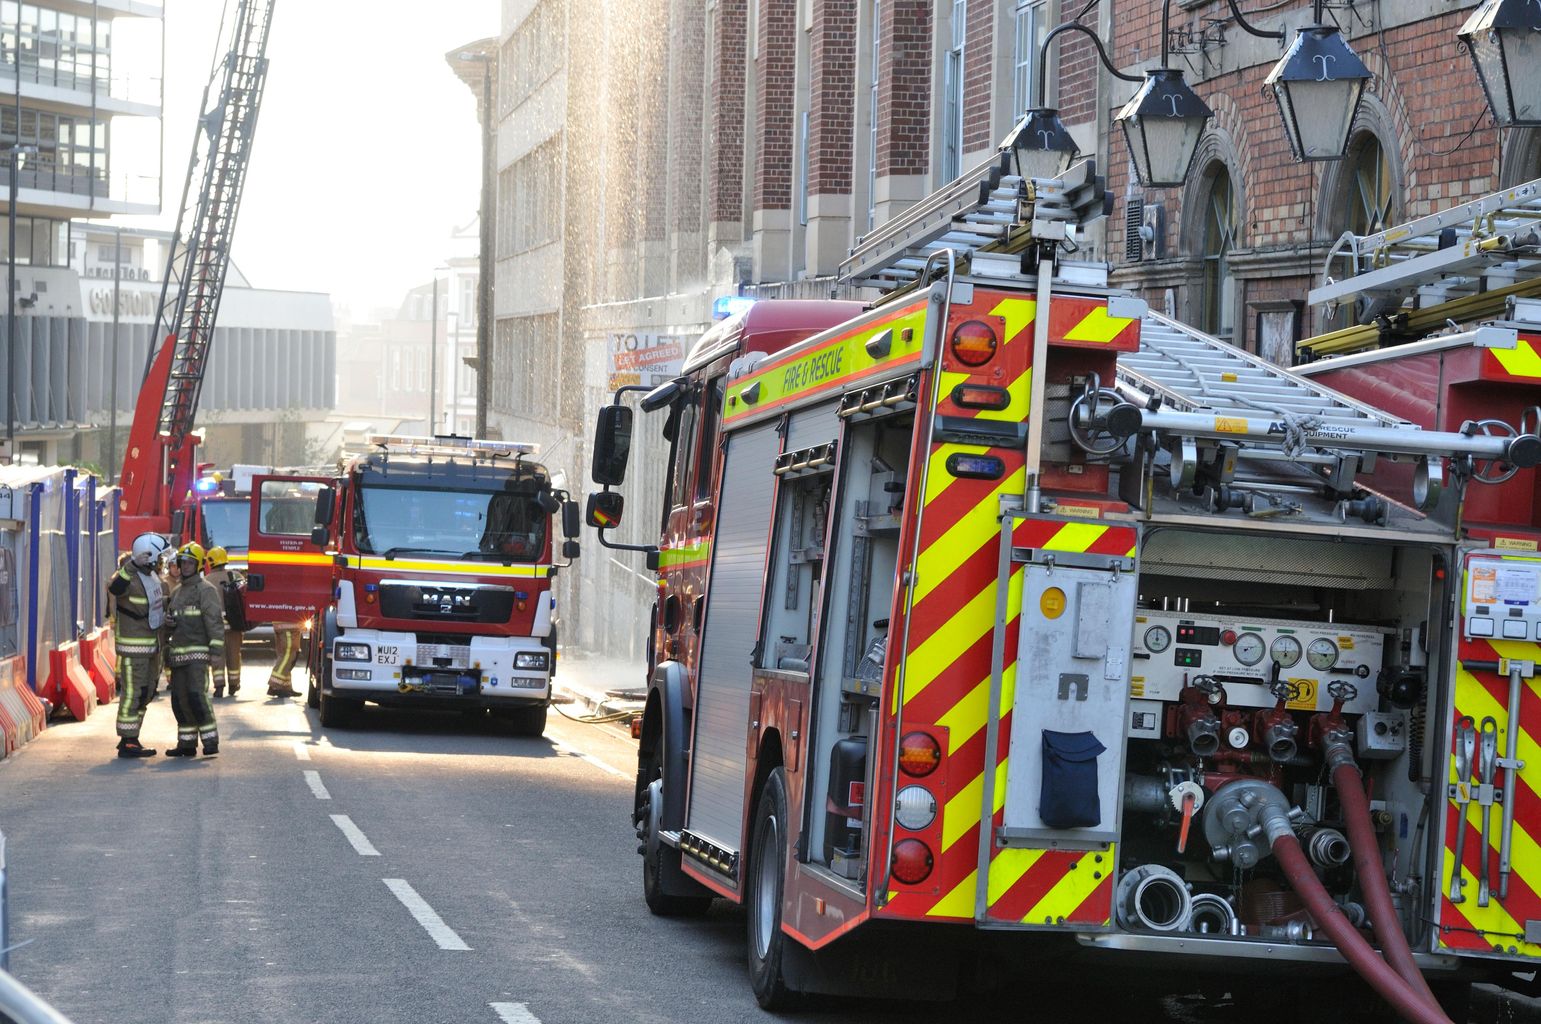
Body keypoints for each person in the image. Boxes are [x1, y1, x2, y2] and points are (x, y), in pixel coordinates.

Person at [107, 533, 169, 758]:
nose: (162, 561)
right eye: (159, 556)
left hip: (152, 648)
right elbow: (114, 588)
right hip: (134, 649)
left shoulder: (152, 579)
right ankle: (127, 740)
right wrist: (132, 565)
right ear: (149, 555)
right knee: (133, 693)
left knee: (146, 693)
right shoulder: (128, 578)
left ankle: (133, 736)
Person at [164, 542, 224, 757]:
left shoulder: (206, 590)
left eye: (190, 563)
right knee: (179, 700)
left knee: (197, 697)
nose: (186, 567)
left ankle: (210, 741)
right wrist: (168, 622)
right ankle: (186, 744)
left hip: (198, 655)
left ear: (198, 565)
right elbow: (172, 619)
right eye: (183, 563)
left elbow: (214, 622)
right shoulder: (178, 591)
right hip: (179, 656)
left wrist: (216, 652)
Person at [204, 546, 246, 698]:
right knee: (234, 654)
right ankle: (234, 684)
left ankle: (219, 686)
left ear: (210, 561)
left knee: (217, 656)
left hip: (215, 627)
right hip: (234, 625)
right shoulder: (235, 576)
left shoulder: (206, 580)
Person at [267, 622, 304, 699]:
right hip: (288, 627)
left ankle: (285, 687)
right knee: (288, 655)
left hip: (288, 626)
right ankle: (275, 686)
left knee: (288, 658)